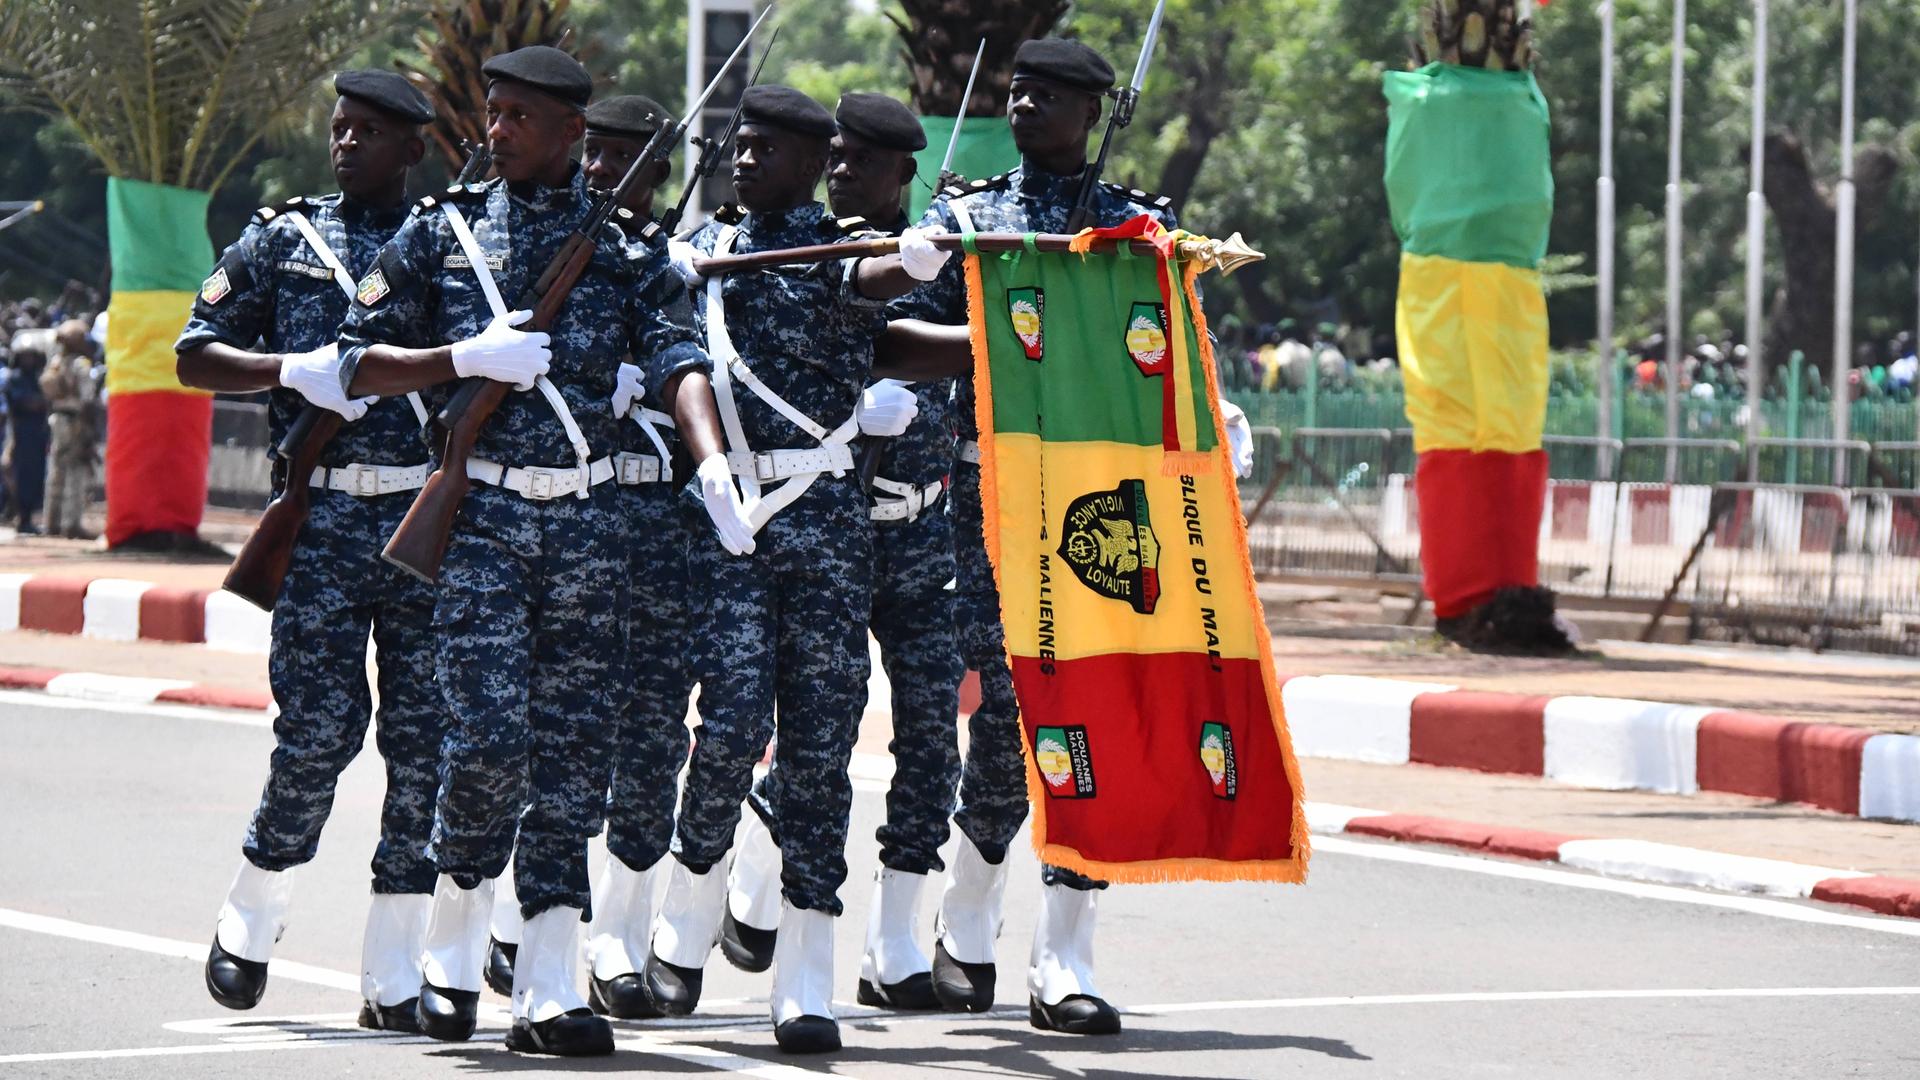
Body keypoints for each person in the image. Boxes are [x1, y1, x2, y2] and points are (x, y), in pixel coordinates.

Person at [336, 46, 703, 1057]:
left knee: (575, 762)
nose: (495, 131)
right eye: (491, 114)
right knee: (490, 743)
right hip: (483, 525)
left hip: (589, 531)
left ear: (573, 134)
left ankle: (548, 981)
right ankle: (453, 935)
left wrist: (698, 448)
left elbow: (678, 355)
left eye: (518, 118)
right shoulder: (438, 233)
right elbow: (349, 363)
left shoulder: (624, 250)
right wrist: (460, 360)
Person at [880, 36, 1182, 1037]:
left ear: (1094, 111)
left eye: (1046, 96)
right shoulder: (971, 215)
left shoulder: (1137, 222)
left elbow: (1167, 340)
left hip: (1105, 498)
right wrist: (977, 330)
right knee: (1013, 718)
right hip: (994, 495)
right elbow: (891, 335)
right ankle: (967, 918)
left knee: (1095, 709)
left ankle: (1067, 959)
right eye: (1016, 91)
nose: (1024, 106)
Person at [638, 83, 934, 1054]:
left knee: (819, 751)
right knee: (724, 728)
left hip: (824, 532)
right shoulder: (711, 251)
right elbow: (675, 348)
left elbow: (876, 284)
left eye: (767, 148)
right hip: (731, 524)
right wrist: (710, 462)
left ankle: (806, 975)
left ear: (814, 163)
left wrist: (917, 257)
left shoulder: (833, 253)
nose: (745, 158)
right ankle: (683, 927)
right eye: (739, 143)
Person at [174, 71, 443, 1033]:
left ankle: (396, 963)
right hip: (321, 523)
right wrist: (289, 371)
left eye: (370, 133)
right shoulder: (284, 238)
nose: (346, 144)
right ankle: (252, 916)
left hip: (425, 525)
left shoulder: (454, 247)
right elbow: (193, 352)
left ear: (415, 150)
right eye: (339, 128)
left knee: (427, 748)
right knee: (319, 734)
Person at [720, 90, 965, 1014]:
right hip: (831, 520)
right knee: (814, 724)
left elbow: (969, 362)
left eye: (864, 162)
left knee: (931, 740)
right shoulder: (817, 254)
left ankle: (896, 942)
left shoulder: (943, 258)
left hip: (925, 527)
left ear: (907, 172)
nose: (844, 174)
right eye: (837, 158)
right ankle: (751, 878)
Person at [42, 319, 98, 539]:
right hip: (75, 420)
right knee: (75, 470)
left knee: (55, 471)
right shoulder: (81, 364)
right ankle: (71, 524)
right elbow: (87, 399)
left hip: (56, 419)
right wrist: (88, 427)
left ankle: (51, 523)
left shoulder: (55, 362)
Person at [4, 344, 48, 533]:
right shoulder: (14, 379)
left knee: (36, 476)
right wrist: (38, 403)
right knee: (21, 476)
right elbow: (25, 403)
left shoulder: (39, 378)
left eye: (32, 356)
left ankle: (29, 518)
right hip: (20, 434)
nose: (28, 361)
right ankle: (21, 519)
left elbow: (46, 402)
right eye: (25, 357)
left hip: (38, 435)